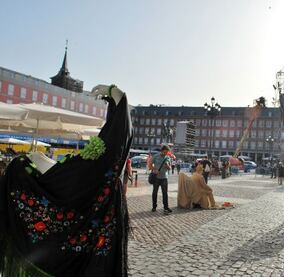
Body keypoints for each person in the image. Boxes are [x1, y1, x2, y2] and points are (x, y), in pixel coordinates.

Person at [0, 84, 132, 276]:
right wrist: (116, 97)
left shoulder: (85, 168)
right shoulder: (91, 168)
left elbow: (118, 139)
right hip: (90, 257)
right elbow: (119, 138)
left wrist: (116, 97)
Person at [149, 145, 172, 214]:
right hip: (156, 178)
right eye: (164, 152)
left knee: (165, 193)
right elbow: (150, 165)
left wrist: (168, 166)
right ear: (161, 151)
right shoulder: (155, 156)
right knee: (155, 192)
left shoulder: (168, 157)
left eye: (167, 152)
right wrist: (154, 169)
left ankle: (166, 207)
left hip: (164, 178)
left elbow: (170, 168)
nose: (165, 154)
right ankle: (154, 206)